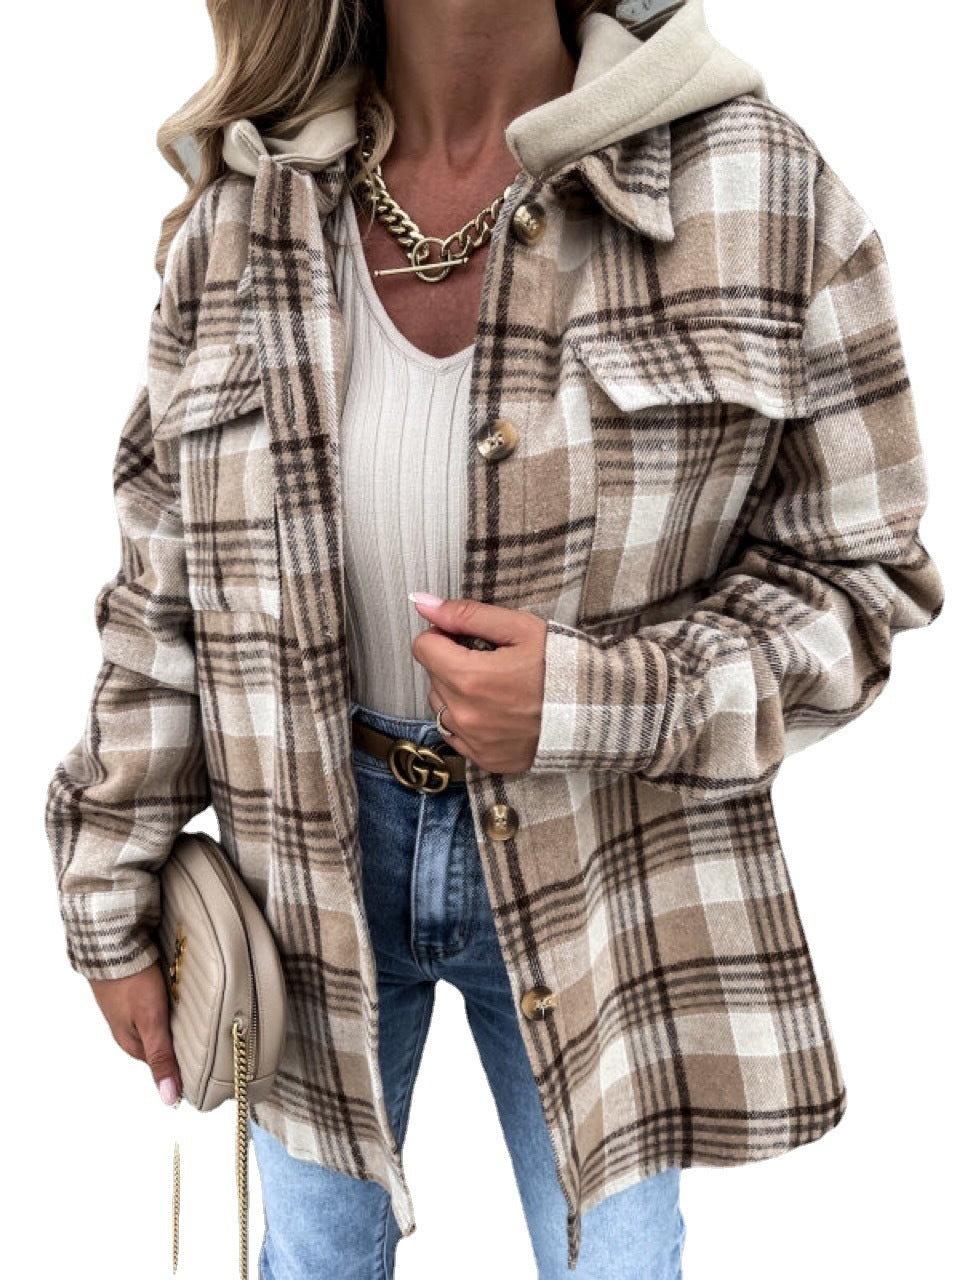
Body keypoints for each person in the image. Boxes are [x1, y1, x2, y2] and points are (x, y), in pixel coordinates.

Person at [42, 1, 944, 1277]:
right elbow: (161, 595)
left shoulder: (759, 187)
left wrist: (594, 698)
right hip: (305, 862)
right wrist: (108, 895)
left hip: (605, 864)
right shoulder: (250, 213)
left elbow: (861, 576)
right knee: (311, 1260)